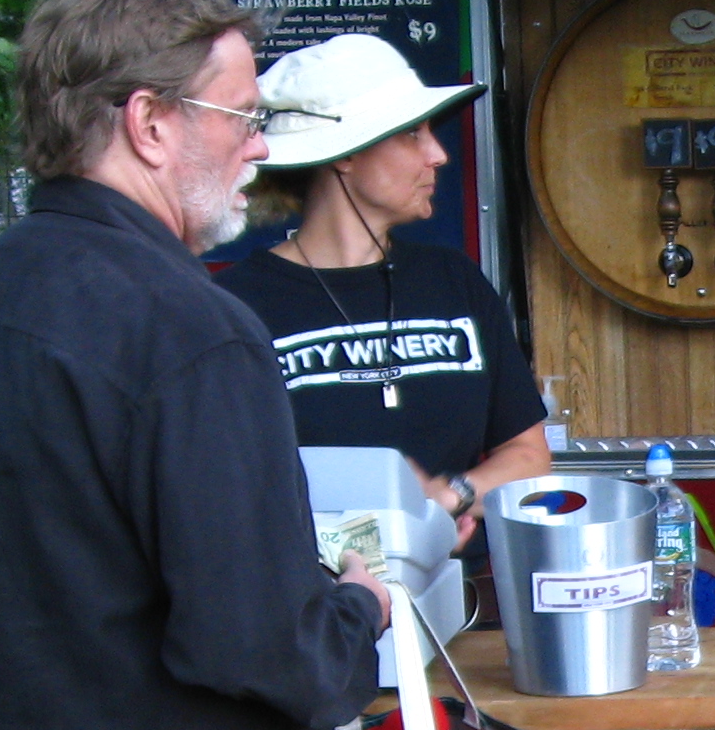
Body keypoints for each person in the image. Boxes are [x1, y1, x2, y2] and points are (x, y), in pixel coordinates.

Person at [0, 0, 390, 730]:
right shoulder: (196, 333)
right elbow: (264, 648)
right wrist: (356, 612)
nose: (260, 148)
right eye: (244, 117)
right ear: (150, 123)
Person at [214, 34, 553, 537]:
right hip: (313, 584)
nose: (437, 154)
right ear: (345, 155)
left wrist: (447, 499)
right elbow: (229, 488)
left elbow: (528, 455)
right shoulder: (237, 306)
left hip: (461, 584)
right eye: (412, 133)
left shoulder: (453, 280)